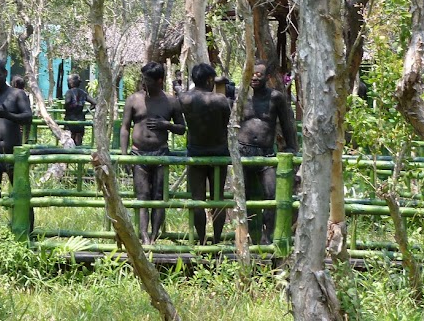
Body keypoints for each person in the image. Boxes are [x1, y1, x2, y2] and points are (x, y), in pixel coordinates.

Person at [120, 62, 185, 244]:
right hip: (138, 154)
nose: (143, 82)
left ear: (159, 80)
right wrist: (123, 155)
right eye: (142, 78)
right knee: (142, 197)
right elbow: (125, 128)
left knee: (158, 196)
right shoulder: (133, 100)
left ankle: (155, 236)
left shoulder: (171, 101)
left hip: (161, 154)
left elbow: (182, 128)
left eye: (147, 79)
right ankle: (144, 237)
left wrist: (167, 125)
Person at [239, 61, 297, 244]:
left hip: (266, 154)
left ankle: (267, 236)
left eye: (259, 75)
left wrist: (292, 147)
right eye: (252, 74)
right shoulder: (240, 97)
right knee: (244, 195)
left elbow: (287, 123)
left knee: (271, 195)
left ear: (267, 78)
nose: (255, 78)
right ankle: (247, 236)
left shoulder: (275, 97)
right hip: (243, 152)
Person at [179, 63, 232, 246]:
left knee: (197, 199)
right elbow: (226, 122)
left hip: (195, 152)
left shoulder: (184, 98)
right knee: (217, 198)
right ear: (210, 80)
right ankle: (216, 240)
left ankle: (201, 240)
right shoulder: (221, 101)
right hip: (218, 152)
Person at [0, 59, 33, 226]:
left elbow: (28, 117)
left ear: (5, 74)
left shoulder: (17, 94)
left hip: (14, 153)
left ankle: (27, 232)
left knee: (21, 193)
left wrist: (8, 115)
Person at [63, 74, 95, 146]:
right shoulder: (83, 93)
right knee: (78, 141)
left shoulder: (69, 92)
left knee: (68, 142)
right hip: (80, 119)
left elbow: (67, 102)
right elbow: (94, 103)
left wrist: (66, 108)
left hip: (70, 119)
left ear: (71, 83)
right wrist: (84, 113)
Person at [11, 75, 33, 144]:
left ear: (15, 84)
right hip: (23, 122)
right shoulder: (26, 94)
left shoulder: (12, 94)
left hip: (16, 121)